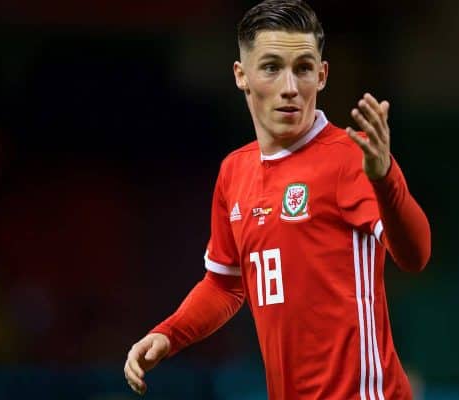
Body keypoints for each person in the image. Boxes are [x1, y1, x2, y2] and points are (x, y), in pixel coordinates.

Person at [124, 0, 431, 398]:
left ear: (321, 76)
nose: (290, 87)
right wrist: (169, 335)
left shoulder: (351, 158)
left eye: (303, 68)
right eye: (272, 67)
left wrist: (386, 178)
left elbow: (416, 256)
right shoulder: (235, 172)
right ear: (242, 75)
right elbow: (224, 285)